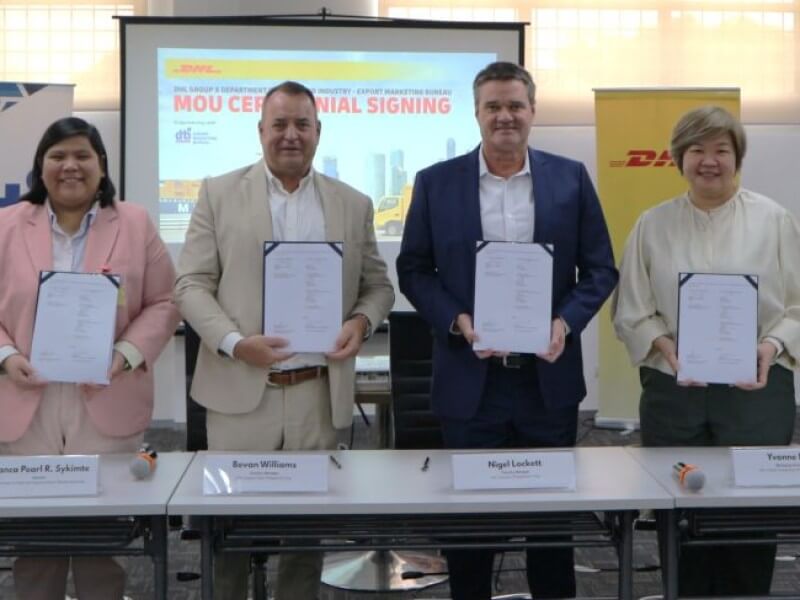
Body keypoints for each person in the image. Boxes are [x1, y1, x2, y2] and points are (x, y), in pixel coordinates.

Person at [396, 61, 618, 600]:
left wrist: (564, 323)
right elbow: (413, 270)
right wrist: (459, 321)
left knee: (551, 528)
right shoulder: (434, 183)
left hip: (547, 382)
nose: (504, 116)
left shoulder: (570, 179)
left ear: (533, 112)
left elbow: (600, 269)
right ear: (476, 113)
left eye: (515, 105)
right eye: (493, 106)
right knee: (471, 529)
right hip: (471, 381)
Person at [174, 80, 394, 600]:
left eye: (302, 124)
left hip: (318, 395)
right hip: (241, 392)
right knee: (227, 536)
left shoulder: (352, 203)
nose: (291, 135)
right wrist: (233, 342)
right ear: (261, 132)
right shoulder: (219, 192)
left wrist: (360, 323)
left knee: (304, 538)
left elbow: (378, 286)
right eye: (280, 125)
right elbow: (189, 285)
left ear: (318, 132)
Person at [612, 105, 800, 596]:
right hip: (675, 388)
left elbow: (797, 306)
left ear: (737, 158)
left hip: (756, 388)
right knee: (681, 505)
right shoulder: (652, 225)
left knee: (750, 504)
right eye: (697, 149)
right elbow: (631, 308)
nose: (709, 160)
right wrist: (664, 346)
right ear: (679, 158)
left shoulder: (774, 220)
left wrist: (771, 344)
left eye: (721, 150)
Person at [0, 117, 180, 600]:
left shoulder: (135, 223)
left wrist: (126, 353)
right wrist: (6, 355)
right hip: (25, 401)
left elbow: (165, 301)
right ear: (41, 166)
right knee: (36, 540)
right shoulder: (7, 224)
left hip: (107, 395)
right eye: (57, 156)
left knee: (103, 538)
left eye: (82, 155)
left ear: (102, 165)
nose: (70, 166)